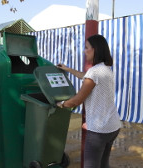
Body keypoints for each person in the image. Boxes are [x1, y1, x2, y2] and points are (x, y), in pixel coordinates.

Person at [56, 34, 122, 168]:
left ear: (95, 49)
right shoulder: (105, 69)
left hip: (99, 130)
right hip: (112, 126)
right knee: (103, 164)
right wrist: (68, 69)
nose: (84, 51)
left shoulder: (94, 72)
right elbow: (85, 77)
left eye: (87, 48)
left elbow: (77, 101)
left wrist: (61, 104)